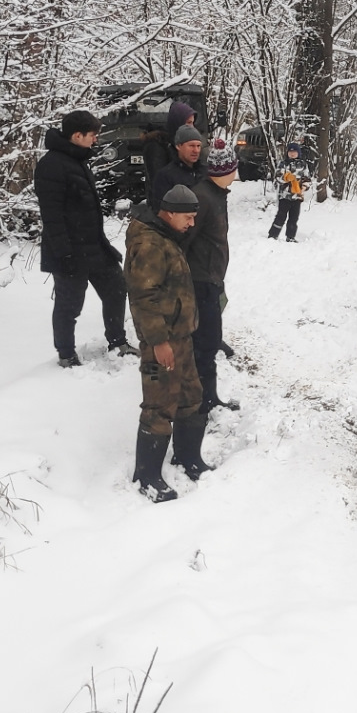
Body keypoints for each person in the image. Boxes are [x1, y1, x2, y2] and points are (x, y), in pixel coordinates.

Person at [146, 125, 242, 416]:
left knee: (208, 342)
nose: (237, 173)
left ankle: (207, 397)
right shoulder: (203, 199)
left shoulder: (216, 193)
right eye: (234, 169)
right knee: (205, 344)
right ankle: (202, 402)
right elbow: (182, 241)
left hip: (210, 278)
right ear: (225, 171)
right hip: (200, 282)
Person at [124, 184, 210, 502]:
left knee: (191, 396)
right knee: (159, 405)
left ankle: (187, 458)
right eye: (187, 217)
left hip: (180, 337)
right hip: (161, 341)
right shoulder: (149, 243)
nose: (191, 224)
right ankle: (146, 476)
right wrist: (158, 341)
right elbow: (144, 297)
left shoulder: (165, 235)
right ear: (169, 212)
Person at [33, 110, 134, 368]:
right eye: (92, 135)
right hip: (68, 251)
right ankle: (66, 355)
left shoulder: (78, 159)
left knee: (116, 288)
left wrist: (102, 243)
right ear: (77, 136)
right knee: (69, 307)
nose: (96, 140)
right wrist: (64, 254)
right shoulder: (52, 165)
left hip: (94, 247)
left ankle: (118, 341)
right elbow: (52, 215)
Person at [139, 100, 195, 195]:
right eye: (189, 123)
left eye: (193, 123)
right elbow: (160, 183)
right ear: (178, 123)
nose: (192, 127)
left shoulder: (179, 141)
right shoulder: (156, 146)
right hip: (168, 204)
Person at [268, 141, 316, 242]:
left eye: (294, 152)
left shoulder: (303, 165)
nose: (292, 154)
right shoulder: (283, 164)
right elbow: (277, 177)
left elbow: (307, 179)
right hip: (284, 195)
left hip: (297, 197)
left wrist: (303, 187)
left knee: (293, 218)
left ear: (298, 153)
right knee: (281, 216)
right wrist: (285, 177)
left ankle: (290, 236)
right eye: (290, 152)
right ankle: (273, 235)